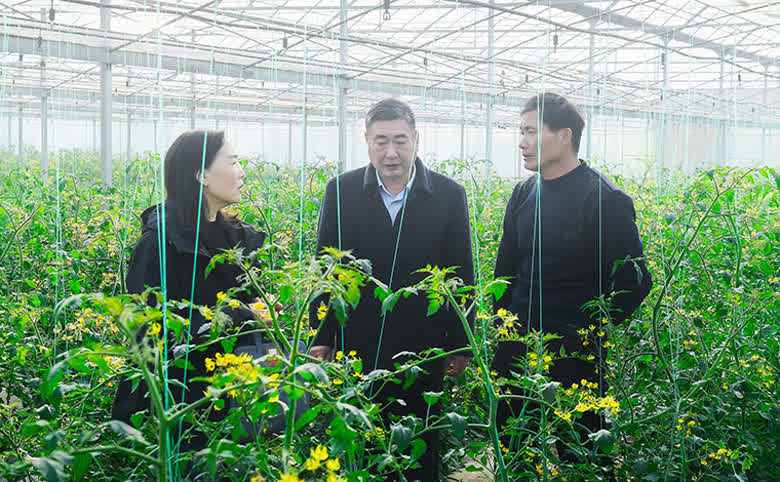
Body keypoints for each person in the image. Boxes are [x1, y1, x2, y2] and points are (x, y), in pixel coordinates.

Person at [309, 98, 475, 481]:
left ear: (416, 139)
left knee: (420, 441)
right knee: (361, 439)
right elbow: (327, 268)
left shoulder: (449, 195)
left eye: (400, 140)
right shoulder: (341, 191)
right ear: (366, 140)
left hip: (424, 343)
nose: (391, 152)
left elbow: (461, 274)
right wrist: (322, 335)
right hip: (358, 339)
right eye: (381, 141)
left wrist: (460, 344)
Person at [492, 93, 652, 457]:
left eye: (531, 132)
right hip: (517, 349)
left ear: (564, 136)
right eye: (521, 131)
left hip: (574, 356)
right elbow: (505, 271)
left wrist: (589, 332)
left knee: (582, 454)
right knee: (513, 448)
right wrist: (505, 324)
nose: (521, 142)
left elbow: (636, 281)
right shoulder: (523, 193)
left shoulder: (604, 198)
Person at [112, 130, 272, 447]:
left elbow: (247, 301)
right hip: (181, 410)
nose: (241, 172)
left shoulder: (238, 239)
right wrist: (243, 315)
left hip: (234, 400)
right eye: (233, 162)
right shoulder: (159, 244)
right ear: (202, 175)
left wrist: (263, 310)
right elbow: (152, 331)